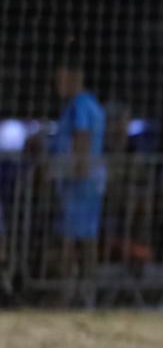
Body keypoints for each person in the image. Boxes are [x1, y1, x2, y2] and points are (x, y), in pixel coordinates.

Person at [52, 60, 106, 300]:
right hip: (90, 179)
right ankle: (87, 292)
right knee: (87, 237)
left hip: (80, 179)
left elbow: (81, 135)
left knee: (71, 239)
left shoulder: (79, 105)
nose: (57, 84)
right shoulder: (92, 103)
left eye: (60, 78)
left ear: (74, 77)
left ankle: (67, 293)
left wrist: (79, 167)